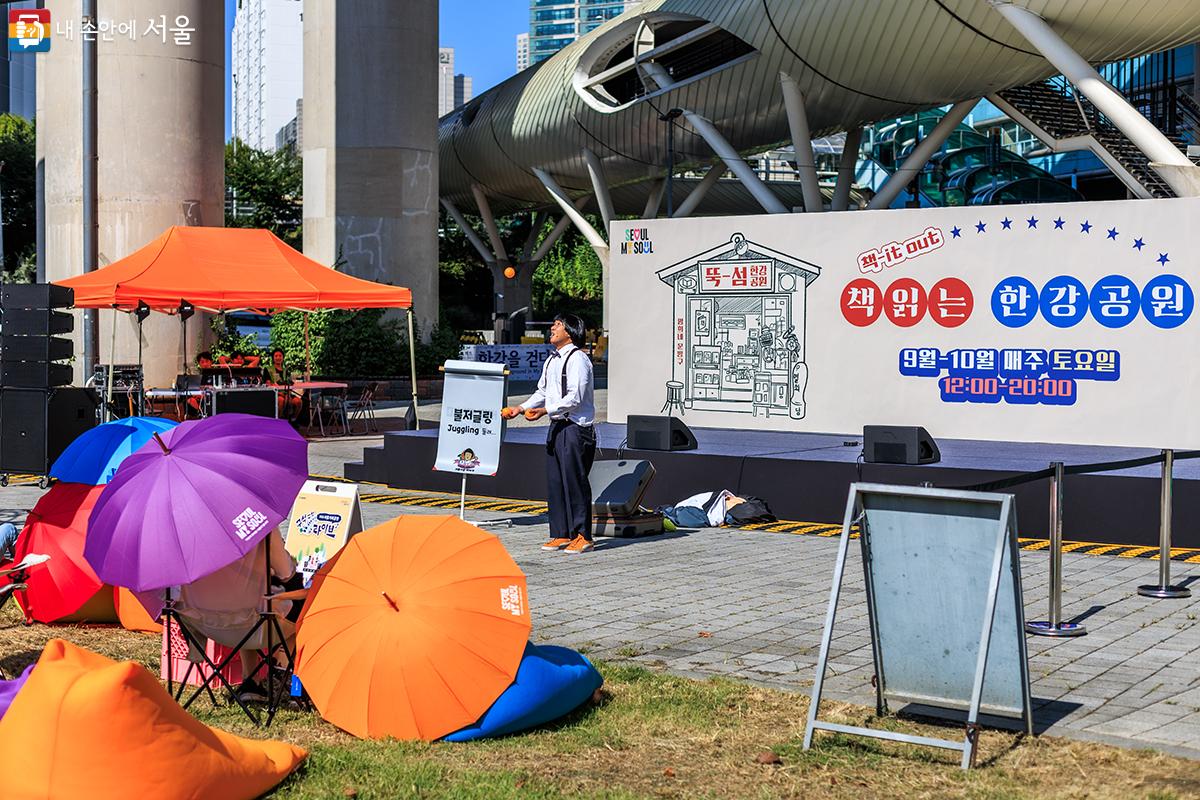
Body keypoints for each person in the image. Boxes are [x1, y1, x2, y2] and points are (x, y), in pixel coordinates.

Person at [502, 313, 597, 554]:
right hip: (557, 426)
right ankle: (561, 533)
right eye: (554, 324)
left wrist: (544, 410)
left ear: (570, 331)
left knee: (575, 482)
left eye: (558, 324)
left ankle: (583, 535)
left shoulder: (578, 359)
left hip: (576, 428)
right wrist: (521, 408)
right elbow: (541, 391)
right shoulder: (551, 360)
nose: (552, 328)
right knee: (556, 481)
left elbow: (574, 397)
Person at [170, 527, 298, 703]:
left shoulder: (182, 529)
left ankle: (251, 681)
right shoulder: (259, 522)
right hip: (256, 625)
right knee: (302, 599)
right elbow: (286, 572)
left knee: (249, 603)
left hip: (204, 625)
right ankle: (282, 672)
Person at [264, 349, 302, 421]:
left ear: (283, 357)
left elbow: (290, 383)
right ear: (273, 358)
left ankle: (293, 419)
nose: (278, 358)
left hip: (287, 393)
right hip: (275, 393)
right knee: (281, 401)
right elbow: (268, 384)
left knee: (298, 402)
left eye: (280, 356)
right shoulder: (268, 369)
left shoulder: (286, 370)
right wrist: (280, 393)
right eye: (276, 356)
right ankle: (279, 420)